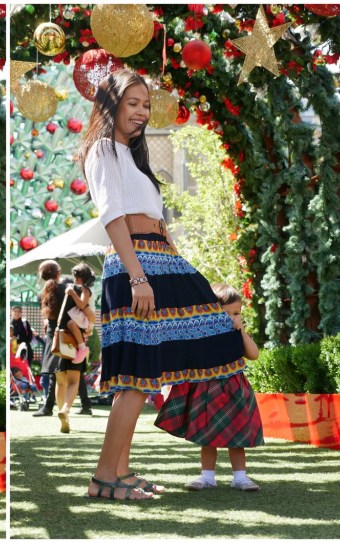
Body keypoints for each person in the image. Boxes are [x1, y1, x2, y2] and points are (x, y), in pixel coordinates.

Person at [80, 70, 246, 501]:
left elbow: (152, 219)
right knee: (136, 375)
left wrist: (178, 266)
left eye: (146, 105)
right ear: (111, 105)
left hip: (160, 260)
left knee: (199, 339)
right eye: (132, 103)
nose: (141, 112)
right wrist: (138, 278)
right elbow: (113, 217)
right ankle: (104, 479)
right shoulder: (102, 150)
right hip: (137, 266)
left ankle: (120, 470)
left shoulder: (131, 156)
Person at [155, 284, 263, 491]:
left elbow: (253, 354)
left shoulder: (237, 333)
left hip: (234, 389)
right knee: (208, 435)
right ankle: (207, 476)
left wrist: (241, 331)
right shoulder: (203, 335)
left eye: (236, 313)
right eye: (227, 313)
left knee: (237, 435)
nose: (232, 317)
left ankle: (240, 477)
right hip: (207, 389)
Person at [32, 260, 72, 418]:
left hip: (52, 334)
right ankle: (56, 406)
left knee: (54, 372)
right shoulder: (67, 289)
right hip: (69, 332)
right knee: (71, 372)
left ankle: (49, 406)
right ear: (58, 273)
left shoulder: (42, 293)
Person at [64, 263, 96, 364]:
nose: (74, 280)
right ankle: (81, 347)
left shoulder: (86, 289)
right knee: (71, 324)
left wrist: (72, 293)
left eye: (75, 278)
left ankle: (82, 348)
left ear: (79, 278)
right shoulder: (87, 288)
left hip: (86, 316)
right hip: (86, 316)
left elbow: (82, 305)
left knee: (70, 324)